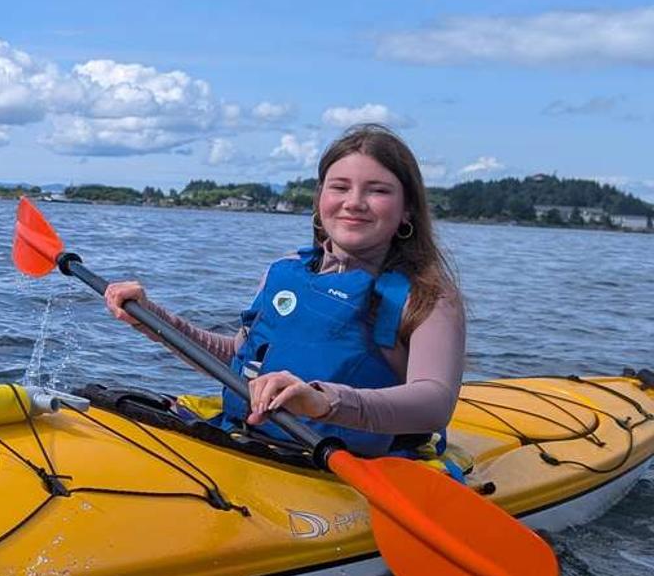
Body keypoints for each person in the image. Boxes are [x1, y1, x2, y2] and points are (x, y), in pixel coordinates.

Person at [103, 123, 465, 456]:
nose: (354, 202)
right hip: (249, 444)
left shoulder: (425, 297)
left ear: (407, 211)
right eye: (340, 187)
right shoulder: (285, 271)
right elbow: (236, 359)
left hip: (340, 465)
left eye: (378, 190)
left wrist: (323, 402)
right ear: (320, 197)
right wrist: (154, 321)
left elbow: (433, 403)